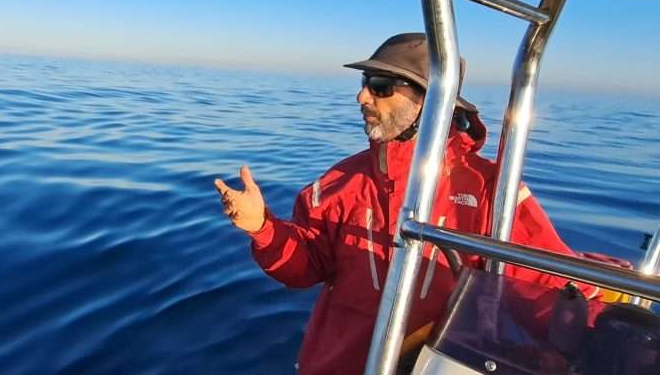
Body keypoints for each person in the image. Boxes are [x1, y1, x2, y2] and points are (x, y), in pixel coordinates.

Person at [214, 33, 600, 375]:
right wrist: (262, 229)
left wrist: (609, 319)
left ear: (430, 101)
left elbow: (547, 284)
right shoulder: (336, 184)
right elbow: (306, 267)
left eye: (380, 86)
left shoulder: (491, 191)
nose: (362, 96)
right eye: (366, 83)